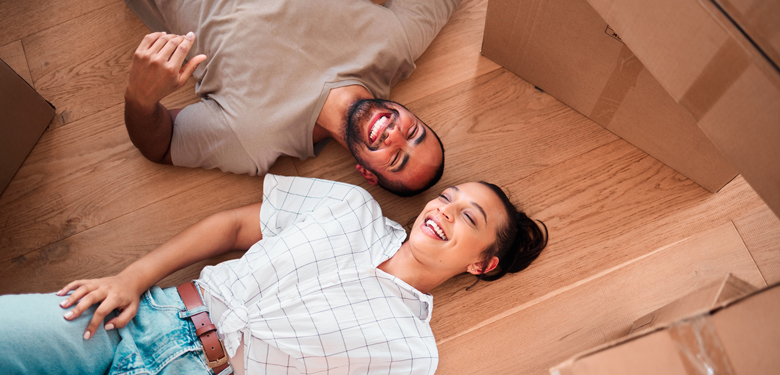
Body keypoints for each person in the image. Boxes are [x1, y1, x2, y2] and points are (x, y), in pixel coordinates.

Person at [0, 175, 547, 375]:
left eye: (468, 216)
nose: (445, 209)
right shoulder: (352, 208)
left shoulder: (413, 354)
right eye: (450, 196)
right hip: (146, 313)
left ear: (481, 263)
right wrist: (132, 276)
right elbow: (235, 227)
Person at [123, 0, 462, 196]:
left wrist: (140, 97)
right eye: (413, 133)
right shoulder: (395, 44)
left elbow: (162, 144)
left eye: (397, 158)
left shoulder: (254, 139)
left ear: (367, 174)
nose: (396, 136)